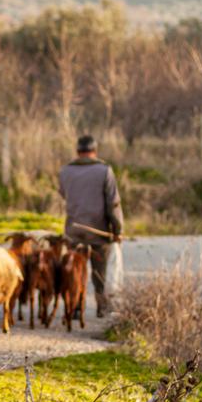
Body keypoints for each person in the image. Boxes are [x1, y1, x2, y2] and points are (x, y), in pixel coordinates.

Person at [57, 134, 124, 316]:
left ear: (78, 152)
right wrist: (117, 230)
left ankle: (76, 306)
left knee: (76, 269)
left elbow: (64, 194)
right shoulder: (104, 171)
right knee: (98, 271)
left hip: (73, 230)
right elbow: (113, 203)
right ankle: (101, 307)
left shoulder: (65, 171)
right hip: (98, 230)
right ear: (94, 151)